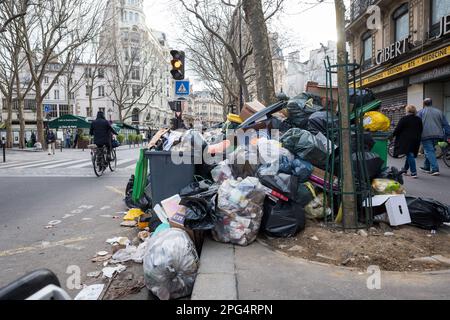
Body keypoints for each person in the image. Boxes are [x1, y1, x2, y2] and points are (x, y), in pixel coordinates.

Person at [417, 98, 450, 176]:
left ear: (424, 104)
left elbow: (417, 124)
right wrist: (448, 134)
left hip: (426, 135)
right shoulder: (439, 112)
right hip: (438, 135)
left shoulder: (421, 112)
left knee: (429, 151)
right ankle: (426, 167)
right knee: (430, 150)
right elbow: (445, 124)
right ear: (431, 103)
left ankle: (435, 169)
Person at [392, 105, 423, 178]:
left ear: (407, 111)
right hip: (416, 139)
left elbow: (398, 129)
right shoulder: (418, 119)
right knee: (409, 153)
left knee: (409, 154)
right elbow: (421, 129)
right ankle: (405, 169)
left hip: (406, 140)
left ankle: (414, 172)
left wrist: (392, 136)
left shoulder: (404, 119)